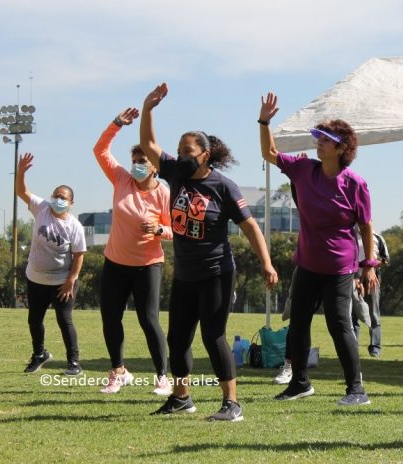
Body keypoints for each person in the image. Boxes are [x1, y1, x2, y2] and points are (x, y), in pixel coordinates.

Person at [140, 83, 278, 421]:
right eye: (179, 150)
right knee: (177, 338)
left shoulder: (223, 187)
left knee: (212, 336)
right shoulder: (175, 173)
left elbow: (250, 227)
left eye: (188, 150)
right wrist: (148, 109)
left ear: (205, 154)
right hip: (185, 275)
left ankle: (232, 402)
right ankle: (181, 397)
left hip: (216, 273)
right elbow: (148, 145)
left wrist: (266, 263)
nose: (181, 155)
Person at [259, 91, 378, 406]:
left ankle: (357, 390)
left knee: (339, 326)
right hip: (307, 264)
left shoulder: (355, 184)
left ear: (341, 148)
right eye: (319, 138)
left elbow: (366, 227)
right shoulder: (303, 169)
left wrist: (369, 265)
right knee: (298, 324)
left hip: (339, 268)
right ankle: (299, 383)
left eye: (326, 140)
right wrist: (264, 122)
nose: (319, 144)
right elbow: (269, 153)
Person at [93, 108, 173, 396]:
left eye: (143, 161)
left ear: (155, 166)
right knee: (110, 317)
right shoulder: (121, 179)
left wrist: (160, 229)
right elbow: (100, 150)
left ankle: (162, 377)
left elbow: (176, 230)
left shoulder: (164, 193)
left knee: (148, 320)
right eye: (135, 160)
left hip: (148, 265)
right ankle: (118, 372)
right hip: (115, 263)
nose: (137, 165)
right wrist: (116, 124)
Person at [16, 153, 86, 376]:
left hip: (62, 281)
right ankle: (39, 354)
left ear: (71, 203)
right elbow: (21, 192)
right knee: (34, 320)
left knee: (64, 320)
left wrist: (70, 281)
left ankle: (74, 362)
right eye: (56, 195)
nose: (58, 199)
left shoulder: (74, 226)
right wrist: (21, 172)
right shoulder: (42, 208)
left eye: (63, 197)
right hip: (36, 277)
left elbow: (79, 255)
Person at [352, 230, 390, 357]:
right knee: (353, 314)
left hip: (372, 279)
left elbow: (386, 260)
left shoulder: (378, 238)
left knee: (374, 314)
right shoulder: (350, 236)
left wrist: (369, 265)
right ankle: (353, 347)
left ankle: (375, 347)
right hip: (353, 278)